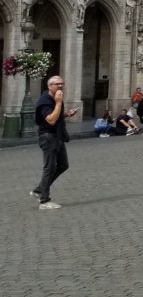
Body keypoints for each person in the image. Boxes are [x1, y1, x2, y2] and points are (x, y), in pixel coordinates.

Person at [32, 75, 76, 209]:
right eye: (57, 84)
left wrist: (67, 114)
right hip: (48, 137)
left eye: (62, 83)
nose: (61, 86)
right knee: (49, 168)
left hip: (57, 136)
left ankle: (39, 189)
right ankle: (44, 201)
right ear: (49, 86)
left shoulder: (56, 97)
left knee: (63, 165)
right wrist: (58, 103)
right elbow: (50, 119)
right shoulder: (45, 100)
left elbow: (54, 115)